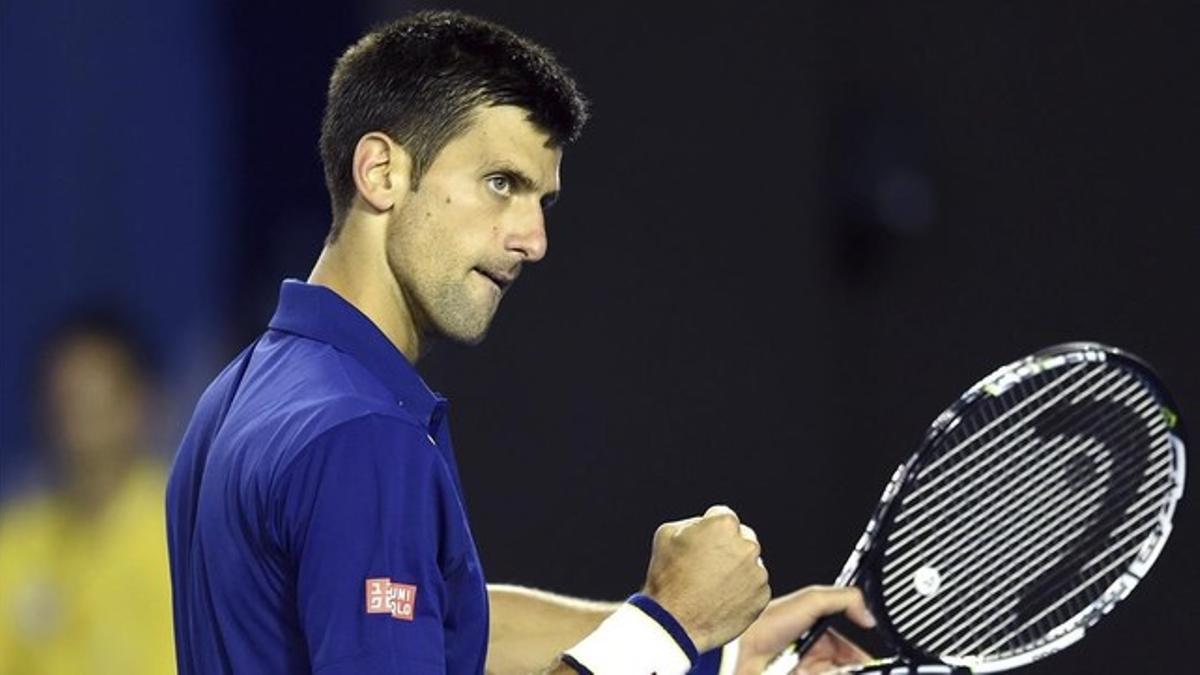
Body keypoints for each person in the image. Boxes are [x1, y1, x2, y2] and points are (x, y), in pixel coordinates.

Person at [166, 10, 875, 675]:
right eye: (500, 183)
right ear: (381, 172)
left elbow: (443, 621)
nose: (532, 240)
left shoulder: (238, 397)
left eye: (542, 200)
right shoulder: (364, 434)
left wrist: (720, 648)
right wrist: (670, 626)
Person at [0, 310, 176, 674]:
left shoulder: (187, 537)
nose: (76, 418)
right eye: (64, 399)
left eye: (93, 399)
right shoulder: (15, 539)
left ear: (139, 404)